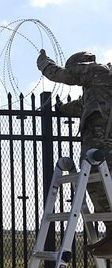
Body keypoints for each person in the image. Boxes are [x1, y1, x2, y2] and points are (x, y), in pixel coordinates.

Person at [37, 49, 112, 256]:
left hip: (101, 141)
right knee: (101, 185)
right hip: (104, 140)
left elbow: (64, 76)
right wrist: (62, 109)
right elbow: (81, 106)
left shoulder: (96, 70)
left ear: (82, 65)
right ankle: (111, 233)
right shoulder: (101, 85)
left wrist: (45, 64)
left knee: (96, 182)